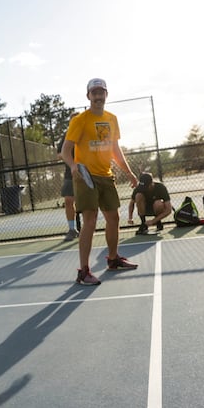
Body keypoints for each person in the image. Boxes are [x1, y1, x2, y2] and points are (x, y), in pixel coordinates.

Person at [60, 78, 139, 285]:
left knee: (113, 218)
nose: (98, 96)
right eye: (94, 93)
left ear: (106, 94)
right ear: (88, 96)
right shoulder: (79, 120)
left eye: (101, 92)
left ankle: (113, 260)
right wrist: (73, 166)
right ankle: (83, 271)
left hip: (106, 175)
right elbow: (65, 151)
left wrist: (129, 172)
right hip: (86, 177)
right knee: (91, 220)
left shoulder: (112, 119)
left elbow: (115, 149)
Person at [56, 112, 81, 241]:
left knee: (88, 203)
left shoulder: (85, 133)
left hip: (87, 173)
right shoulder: (66, 136)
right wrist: (71, 161)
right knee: (68, 201)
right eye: (72, 121)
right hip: (70, 174)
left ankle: (88, 227)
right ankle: (72, 229)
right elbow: (59, 154)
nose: (74, 122)